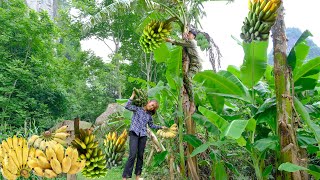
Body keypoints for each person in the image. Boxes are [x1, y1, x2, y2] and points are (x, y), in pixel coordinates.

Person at [122, 90, 167, 180]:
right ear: (148, 102)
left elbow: (151, 125)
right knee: (132, 154)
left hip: (143, 135)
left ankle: (138, 176)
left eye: (154, 108)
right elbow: (127, 106)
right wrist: (132, 95)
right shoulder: (137, 108)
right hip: (134, 133)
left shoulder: (149, 115)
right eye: (152, 105)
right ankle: (125, 176)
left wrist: (161, 127)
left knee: (140, 155)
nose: (152, 107)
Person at [166, 29, 202, 113]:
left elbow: (181, 43)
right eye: (188, 33)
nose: (188, 35)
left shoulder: (192, 42)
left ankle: (192, 103)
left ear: (193, 36)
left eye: (190, 34)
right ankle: (188, 91)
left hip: (196, 65)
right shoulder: (188, 42)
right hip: (191, 65)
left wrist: (170, 40)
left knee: (187, 78)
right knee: (184, 79)